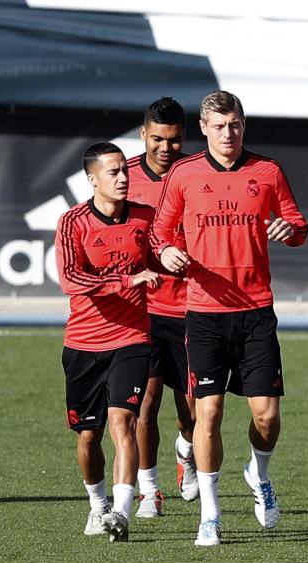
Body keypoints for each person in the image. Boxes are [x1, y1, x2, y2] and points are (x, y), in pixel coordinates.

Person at [150, 90, 308, 546]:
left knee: (266, 416)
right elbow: (160, 233)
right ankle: (211, 514)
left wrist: (289, 230)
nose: (228, 133)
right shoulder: (184, 174)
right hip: (203, 313)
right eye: (219, 126)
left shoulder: (268, 171)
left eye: (235, 124)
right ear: (203, 128)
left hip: (256, 312)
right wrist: (168, 253)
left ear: (244, 125)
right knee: (210, 412)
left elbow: (299, 226)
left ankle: (258, 476)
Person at [55, 142, 161, 542]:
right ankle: (98, 504)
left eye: (124, 171)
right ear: (92, 179)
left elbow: (159, 249)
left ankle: (120, 512)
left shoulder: (145, 217)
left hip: (132, 338)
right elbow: (70, 279)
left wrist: (168, 256)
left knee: (124, 421)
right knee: (88, 437)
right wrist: (124, 280)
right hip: (83, 344)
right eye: (113, 172)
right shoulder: (72, 222)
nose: (122, 178)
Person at [126, 96, 197, 517]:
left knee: (192, 410)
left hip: (192, 307)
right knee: (145, 402)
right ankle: (149, 488)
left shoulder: (196, 173)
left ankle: (186, 452)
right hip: (145, 309)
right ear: (143, 135)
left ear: (183, 137)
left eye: (172, 140)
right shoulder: (125, 177)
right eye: (157, 139)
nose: (165, 148)